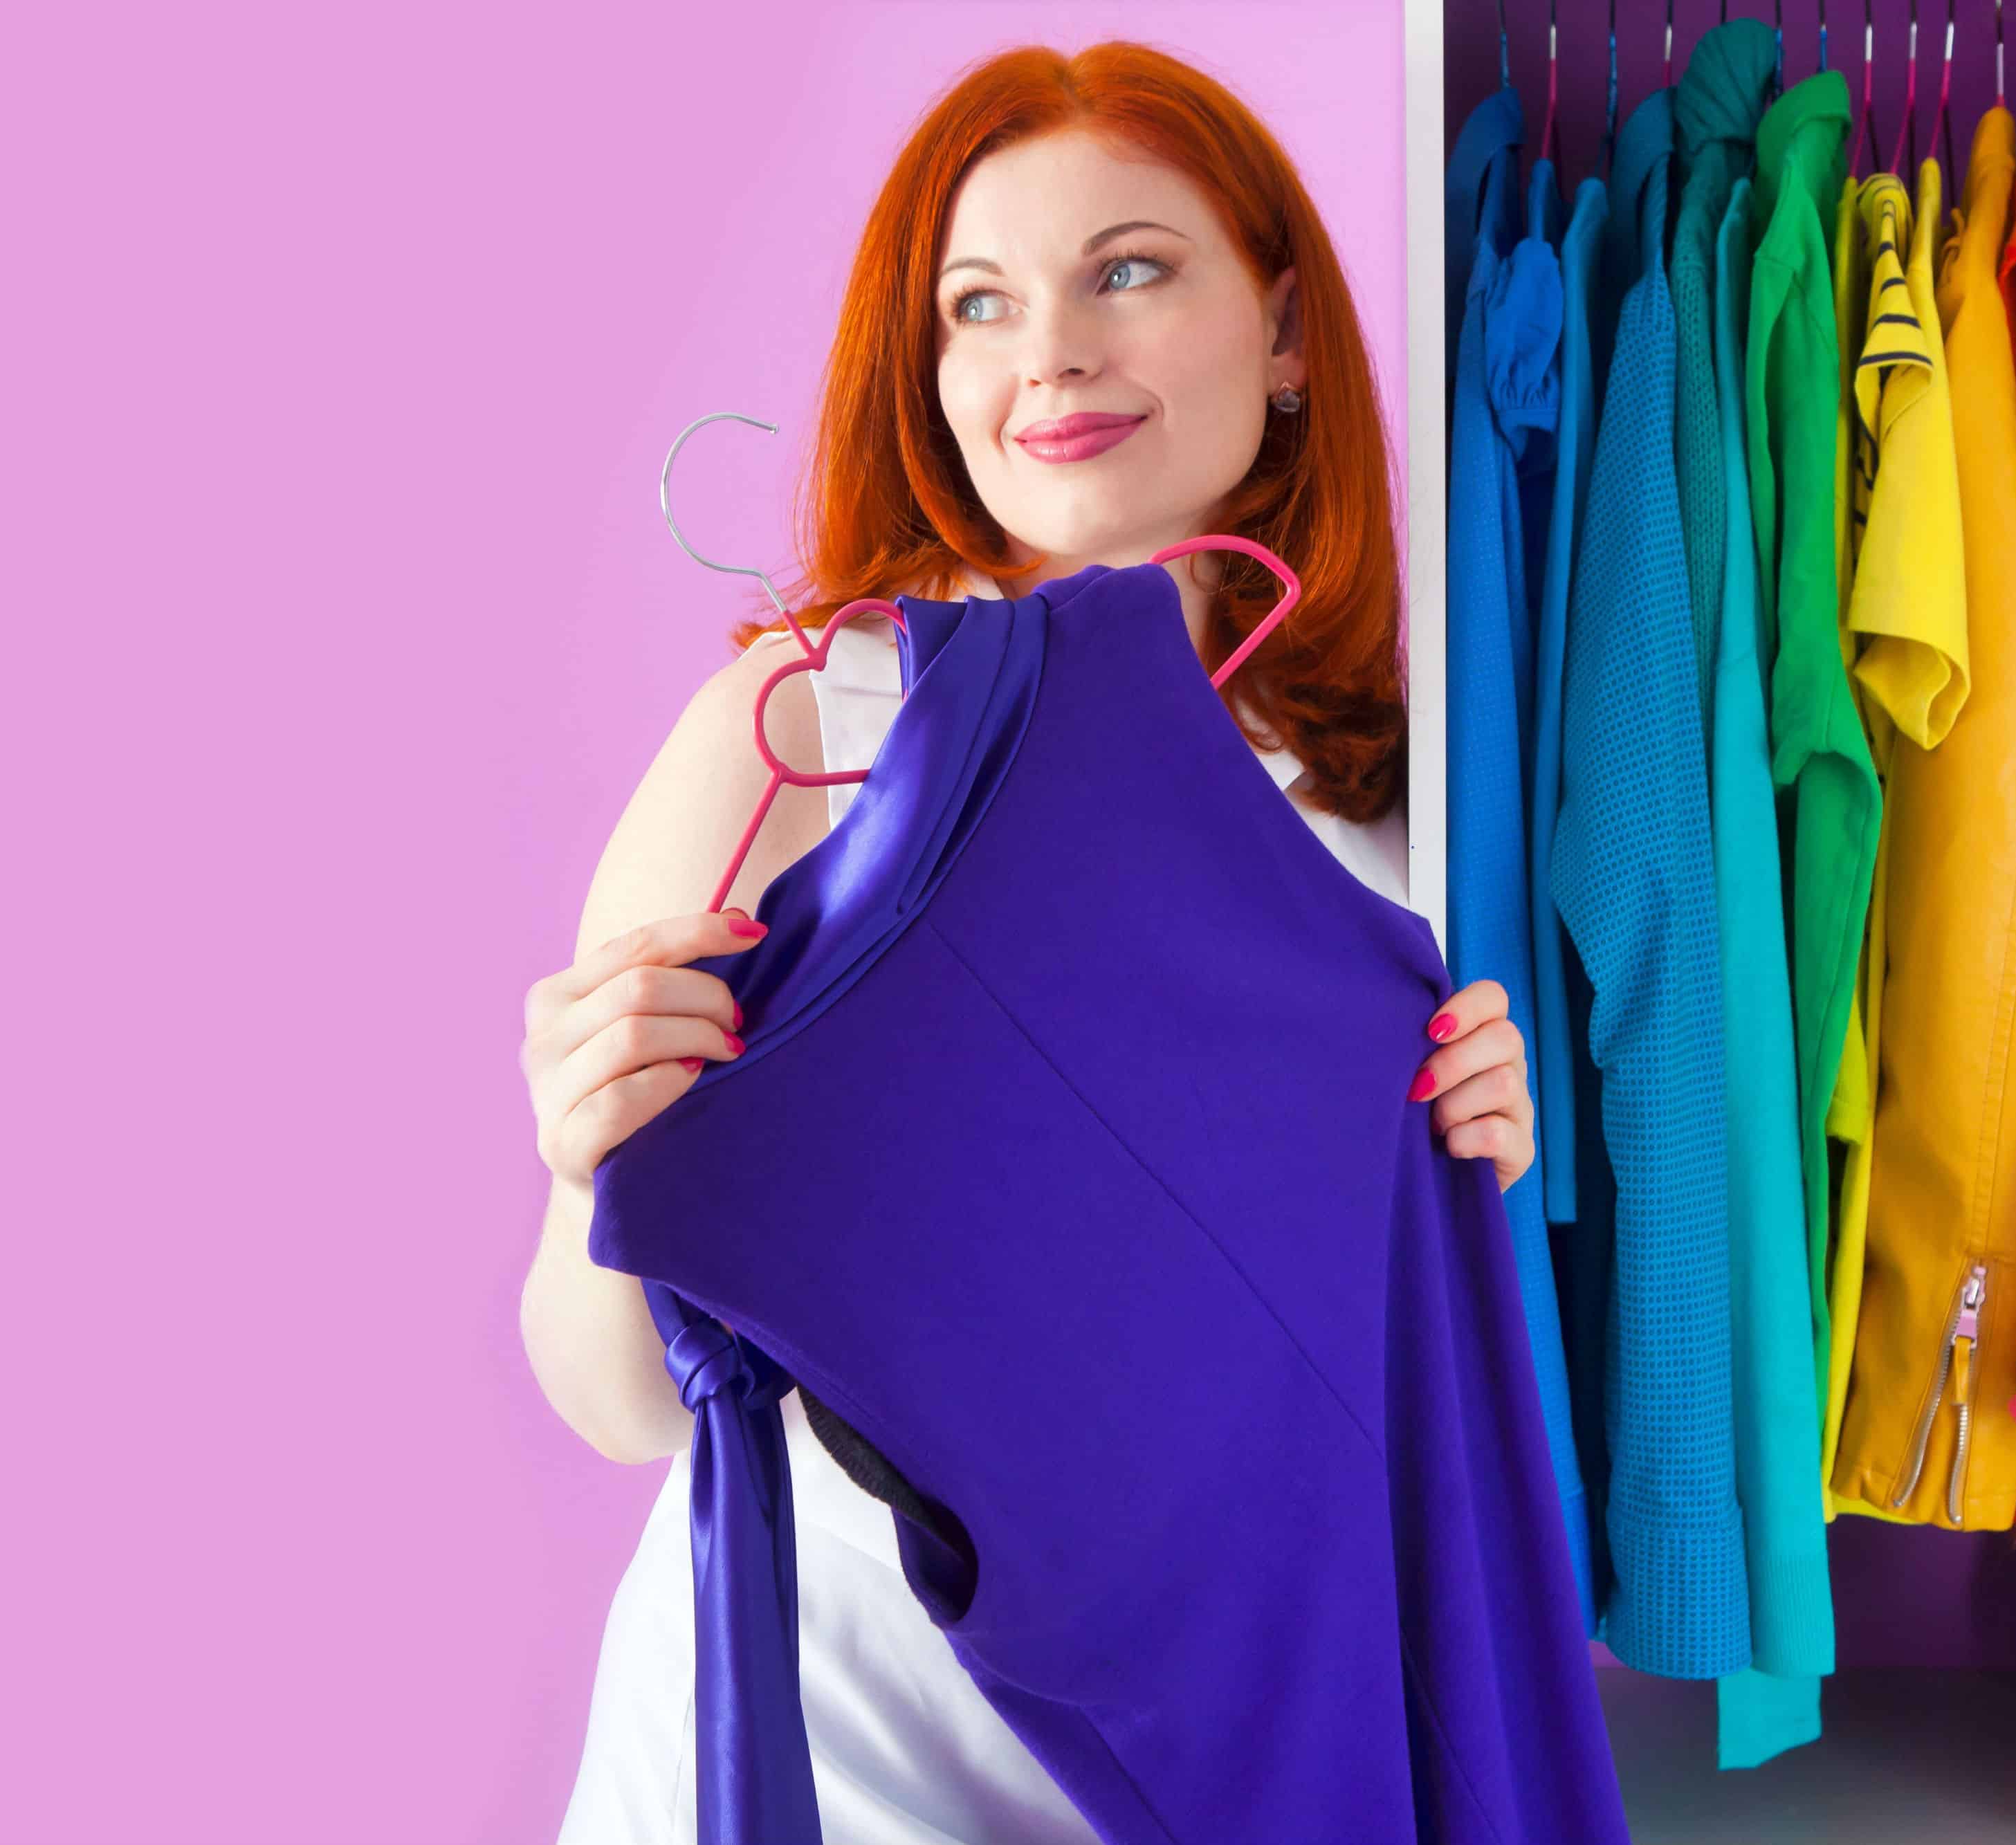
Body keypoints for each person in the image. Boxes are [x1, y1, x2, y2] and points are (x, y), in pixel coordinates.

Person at [517, 42, 1543, 1843]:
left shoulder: (1392, 810)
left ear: (1285, 330)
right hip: (831, 1742)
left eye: (1126, 271)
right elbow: (620, 1406)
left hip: (1216, 1762)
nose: (1049, 354)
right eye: (978, 304)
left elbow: (1357, 1400)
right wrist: (593, 1166)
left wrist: (1466, 1177)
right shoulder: (803, 730)